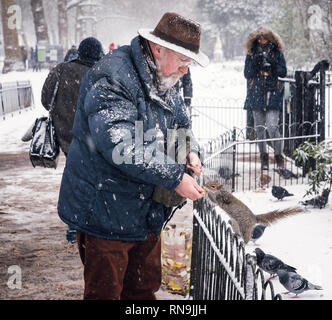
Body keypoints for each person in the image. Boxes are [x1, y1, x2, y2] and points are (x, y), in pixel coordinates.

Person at [57, 12, 209, 300]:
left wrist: (189, 150)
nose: (186, 70)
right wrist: (176, 177)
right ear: (158, 48)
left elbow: (180, 124)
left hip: (144, 213)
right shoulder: (112, 75)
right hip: (104, 211)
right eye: (184, 60)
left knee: (142, 290)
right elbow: (119, 144)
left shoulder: (165, 78)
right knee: (106, 292)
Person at [42, 37, 104, 242]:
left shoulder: (61, 70)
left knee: (74, 178)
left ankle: (73, 225)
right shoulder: (100, 74)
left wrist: (63, 114)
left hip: (66, 135)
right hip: (94, 137)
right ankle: (88, 223)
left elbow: (45, 98)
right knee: (95, 179)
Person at [243, 26, 287, 169]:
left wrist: (272, 65)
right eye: (259, 38)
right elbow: (247, 74)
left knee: (272, 126)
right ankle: (264, 158)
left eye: (265, 38)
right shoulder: (251, 53)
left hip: (272, 92)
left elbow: (283, 72)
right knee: (260, 129)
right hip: (256, 93)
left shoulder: (277, 53)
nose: (262, 41)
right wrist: (256, 64)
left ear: (270, 39)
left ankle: (279, 156)